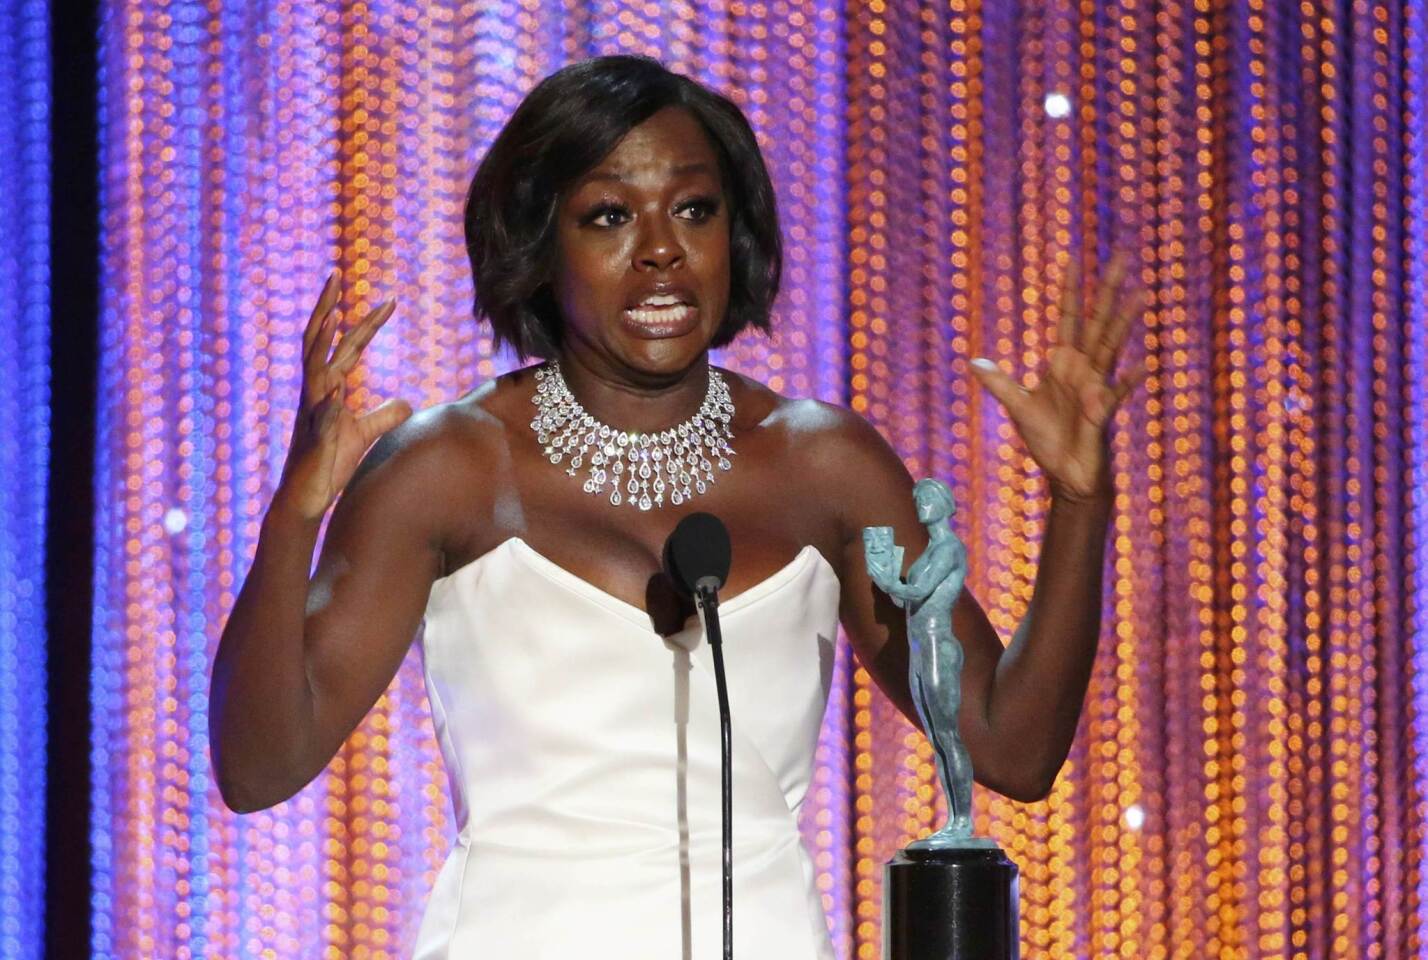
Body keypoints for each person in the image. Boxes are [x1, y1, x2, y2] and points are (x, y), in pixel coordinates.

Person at [209, 55, 1146, 959]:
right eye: (609, 216)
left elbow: (1012, 749)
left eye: (694, 209)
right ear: (541, 247)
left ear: (732, 236)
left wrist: (1079, 499)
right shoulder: (449, 468)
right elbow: (257, 769)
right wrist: (291, 518)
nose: (661, 251)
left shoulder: (823, 464)